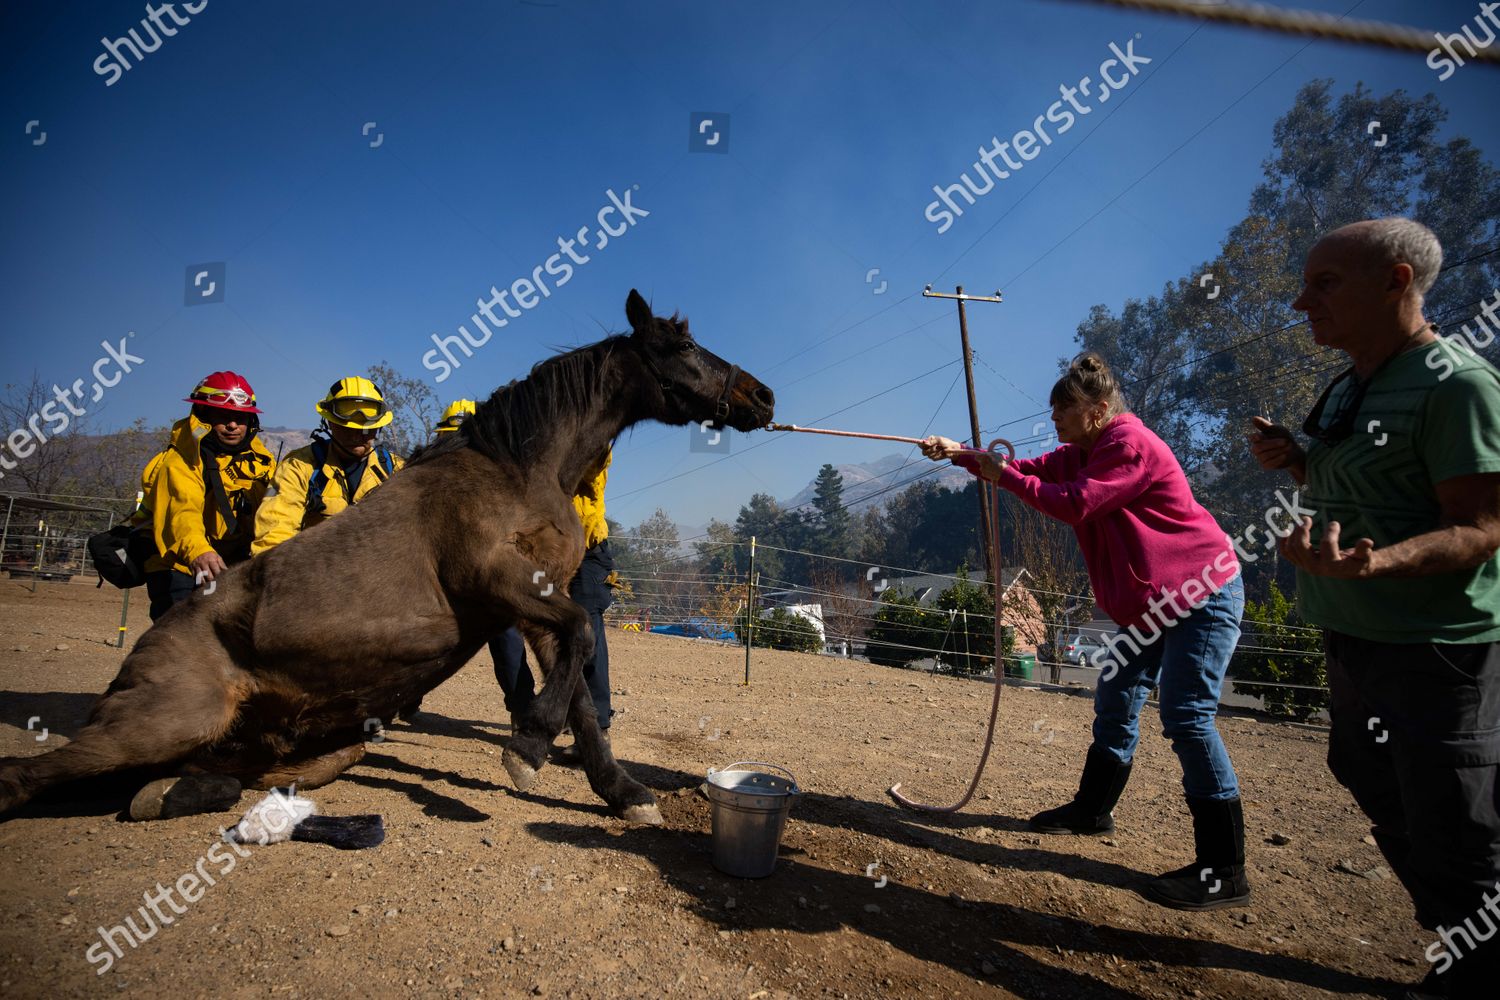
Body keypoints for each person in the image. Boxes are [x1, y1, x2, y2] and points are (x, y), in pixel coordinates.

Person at [1250, 217, 1500, 999]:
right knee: (1366, 771)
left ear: (1398, 281)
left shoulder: (1458, 383)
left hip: (1436, 648)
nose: (1301, 302)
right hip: (1351, 634)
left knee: (1454, 819)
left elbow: (1484, 525)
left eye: (1324, 283)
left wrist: (1378, 563)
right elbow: (1352, 480)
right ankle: (1462, 936)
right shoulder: (1352, 381)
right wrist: (1295, 456)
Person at [922, 352, 1247, 910]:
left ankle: (1224, 871)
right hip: (1154, 602)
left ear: (1097, 410)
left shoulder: (1129, 446)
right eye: (1054, 412)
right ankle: (1092, 812)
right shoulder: (1084, 451)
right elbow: (1036, 472)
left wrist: (1002, 476)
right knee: (1117, 694)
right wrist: (962, 455)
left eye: (1063, 410)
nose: (1055, 420)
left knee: (1187, 715)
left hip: (1201, 590)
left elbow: (1076, 503)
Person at [492, 449, 616, 750]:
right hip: (542, 557)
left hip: (586, 553)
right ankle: (539, 712)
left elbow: (597, 456)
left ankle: (595, 726)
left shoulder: (586, 442)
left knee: (585, 632)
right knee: (531, 629)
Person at [144, 371, 276, 621]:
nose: (232, 425)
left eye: (240, 417)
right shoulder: (181, 461)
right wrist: (198, 552)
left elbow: (277, 512)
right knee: (180, 643)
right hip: (182, 567)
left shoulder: (263, 462)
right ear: (203, 417)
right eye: (223, 416)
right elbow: (182, 512)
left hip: (231, 568)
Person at [252, 376, 404, 555]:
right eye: (346, 428)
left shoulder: (396, 471)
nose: (356, 436)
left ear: (378, 427)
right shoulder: (298, 467)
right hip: (315, 571)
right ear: (329, 423)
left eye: (365, 428)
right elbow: (274, 533)